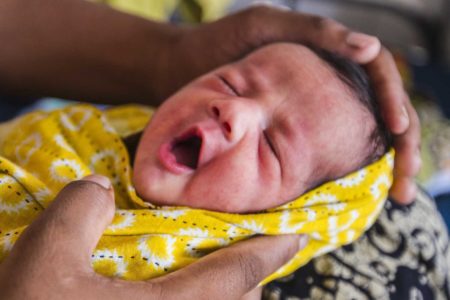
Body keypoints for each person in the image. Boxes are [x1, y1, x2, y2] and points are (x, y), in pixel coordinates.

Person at [0, 1, 421, 298]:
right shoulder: (92, 131)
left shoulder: (202, 279)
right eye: (232, 83)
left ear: (285, 216)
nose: (233, 110)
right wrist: (171, 55)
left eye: (272, 146)